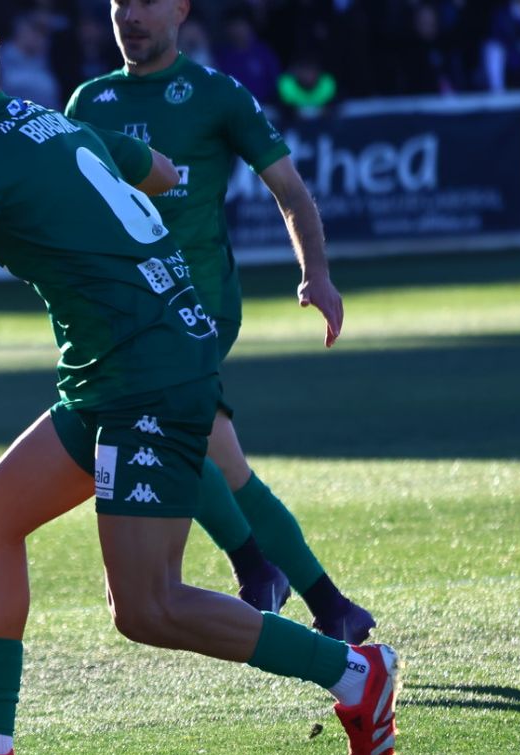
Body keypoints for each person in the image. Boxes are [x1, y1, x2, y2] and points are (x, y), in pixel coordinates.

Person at [0, 5, 400, 755]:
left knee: (147, 606)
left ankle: (355, 672)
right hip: (113, 371)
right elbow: (140, 161)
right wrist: (161, 177)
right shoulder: (44, 121)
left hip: (153, 373)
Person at [66, 0, 373, 641]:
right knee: (209, 453)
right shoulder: (88, 103)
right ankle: (316, 598)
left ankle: (273, 575)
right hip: (125, 318)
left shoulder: (217, 96)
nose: (132, 16)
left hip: (196, 307)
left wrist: (315, 272)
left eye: (148, 3)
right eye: (122, 5)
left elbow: (288, 188)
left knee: (185, 443)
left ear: (180, 9)